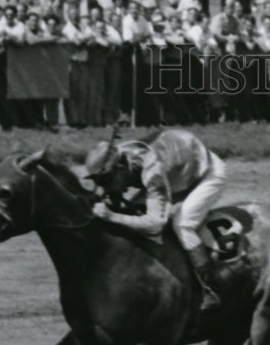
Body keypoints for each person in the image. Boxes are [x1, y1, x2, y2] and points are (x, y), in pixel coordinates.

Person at [84, 128, 227, 311]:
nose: (106, 187)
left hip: (208, 174)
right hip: (179, 165)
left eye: (107, 180)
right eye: (100, 181)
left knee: (182, 225)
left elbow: (155, 225)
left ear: (120, 169)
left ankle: (210, 288)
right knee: (133, 211)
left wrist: (112, 216)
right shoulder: (120, 157)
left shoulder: (152, 171)